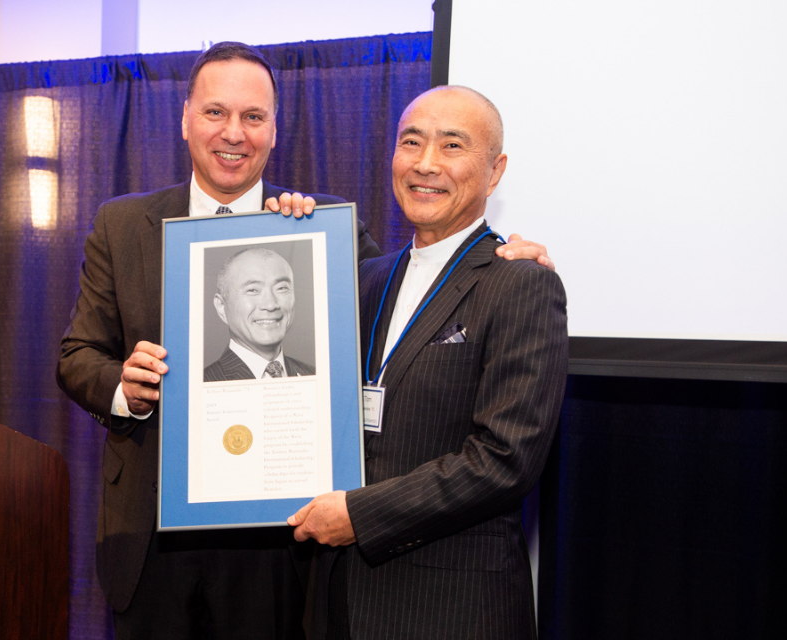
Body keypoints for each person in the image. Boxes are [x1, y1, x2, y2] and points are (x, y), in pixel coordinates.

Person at [57, 40, 553, 638]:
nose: (233, 133)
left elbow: (434, 288)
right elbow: (77, 356)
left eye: (254, 117)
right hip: (149, 534)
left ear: (274, 129)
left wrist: (507, 256)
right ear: (186, 118)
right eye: (216, 113)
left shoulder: (322, 231)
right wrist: (123, 387)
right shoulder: (120, 224)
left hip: (279, 547)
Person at [287, 86, 569, 640]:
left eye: (452, 146)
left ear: (494, 171)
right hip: (340, 601)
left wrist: (361, 517)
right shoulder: (366, 279)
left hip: (451, 609)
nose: (425, 163)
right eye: (410, 142)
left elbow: (504, 460)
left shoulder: (522, 285)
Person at [204, 247, 314, 381]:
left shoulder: (315, 376)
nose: (270, 305)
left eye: (282, 288)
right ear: (222, 307)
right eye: (252, 290)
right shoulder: (201, 384)